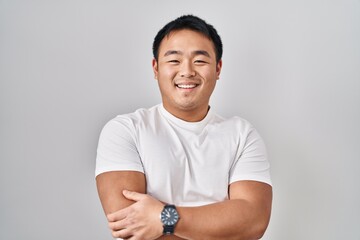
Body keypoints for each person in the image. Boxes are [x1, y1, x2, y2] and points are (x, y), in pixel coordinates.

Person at [95, 15, 272, 240]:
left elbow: (253, 220)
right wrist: (220, 226)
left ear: (217, 69)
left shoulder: (242, 135)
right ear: (156, 68)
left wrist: (165, 218)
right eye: (174, 60)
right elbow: (130, 226)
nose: (187, 71)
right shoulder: (125, 130)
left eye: (199, 61)